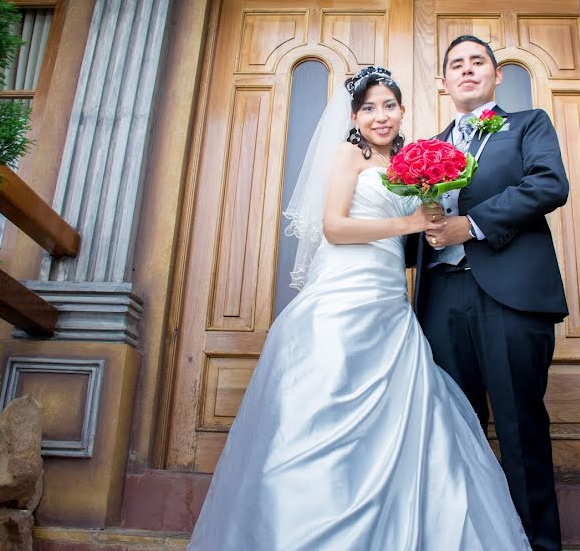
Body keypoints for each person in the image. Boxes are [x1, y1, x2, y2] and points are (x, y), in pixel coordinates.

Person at [187, 66, 531, 550]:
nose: (380, 116)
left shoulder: (410, 166)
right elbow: (334, 228)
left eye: (389, 105)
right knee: (329, 404)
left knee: (400, 418)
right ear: (354, 116)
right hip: (342, 296)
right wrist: (408, 222)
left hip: (389, 301)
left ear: (403, 111)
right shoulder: (351, 154)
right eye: (369, 107)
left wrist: (431, 221)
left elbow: (419, 236)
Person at [411, 35, 570, 551]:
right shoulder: (422, 151)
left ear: (497, 75)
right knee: (456, 433)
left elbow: (549, 184)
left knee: (520, 429)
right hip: (440, 299)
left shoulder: (529, 125)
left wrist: (472, 224)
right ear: (443, 82)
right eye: (456, 64)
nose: (467, 70)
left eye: (477, 62)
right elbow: (412, 227)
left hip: (510, 297)